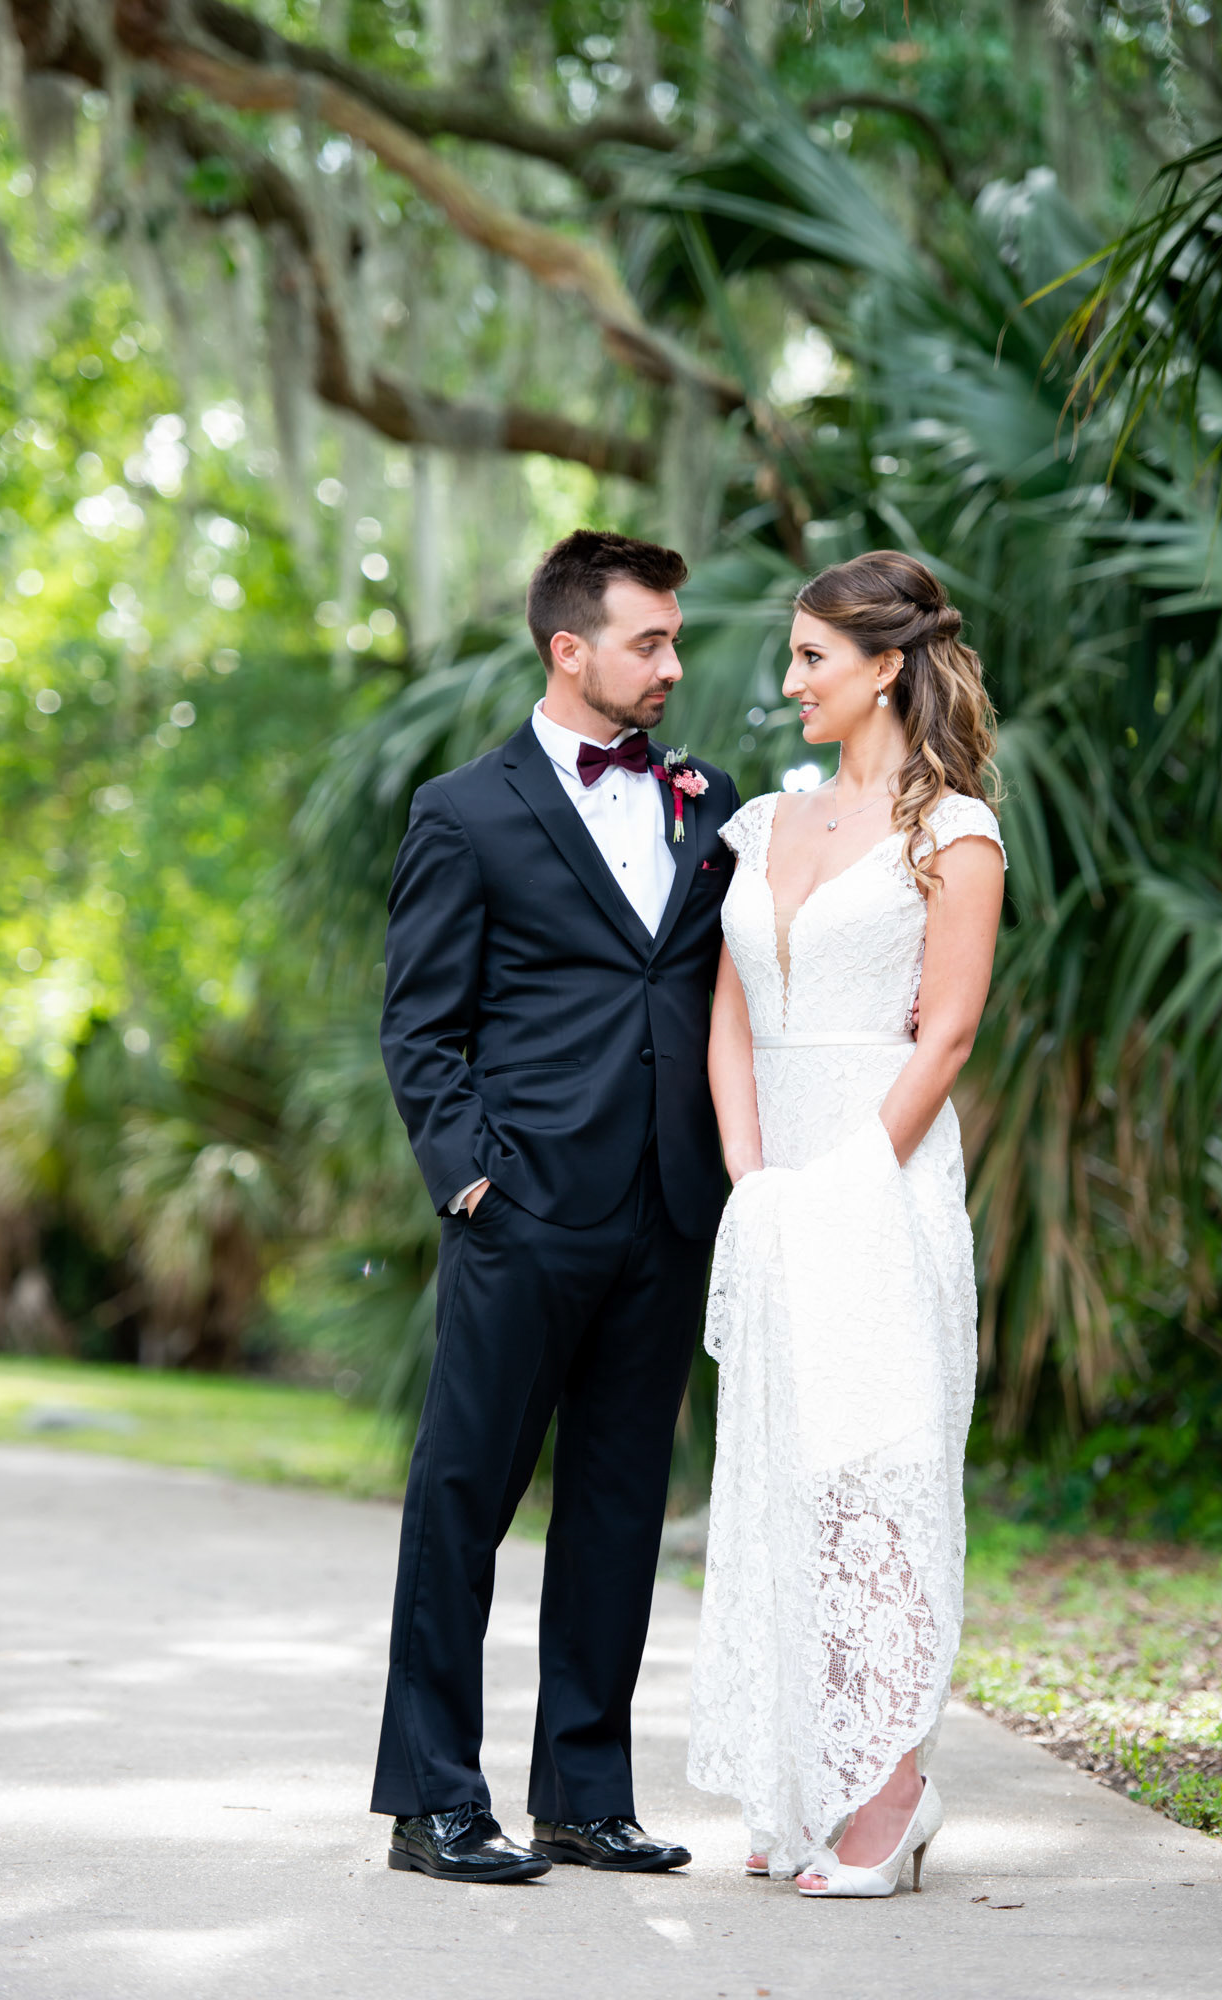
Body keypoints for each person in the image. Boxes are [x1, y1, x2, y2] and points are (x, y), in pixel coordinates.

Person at [373, 529, 739, 1882]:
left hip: (664, 1206)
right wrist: (472, 1176)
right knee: (461, 1498)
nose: (673, 664)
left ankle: (584, 1795)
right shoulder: (463, 812)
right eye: (650, 640)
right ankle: (433, 1803)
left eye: (675, 638)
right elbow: (420, 1025)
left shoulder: (710, 803)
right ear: (568, 647)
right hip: (522, 1209)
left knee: (618, 1507)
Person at [687, 549, 1006, 1897]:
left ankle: (891, 1800)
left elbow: (947, 1036)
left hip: (883, 1188)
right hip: (775, 1195)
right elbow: (727, 1027)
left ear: (885, 664)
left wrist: (842, 1190)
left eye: (813, 655)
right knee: (784, 1486)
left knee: (879, 1486)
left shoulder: (959, 832)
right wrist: (757, 1190)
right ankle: (804, 1781)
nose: (791, 679)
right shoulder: (764, 824)